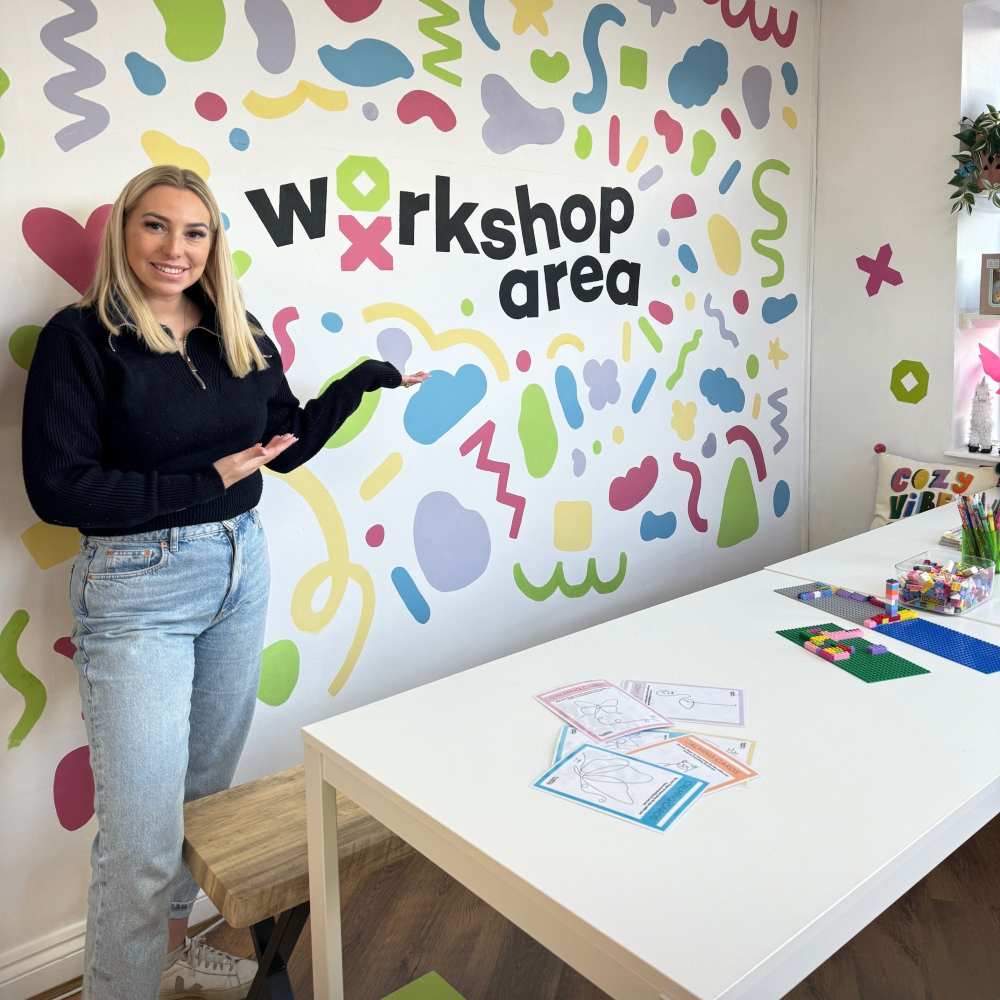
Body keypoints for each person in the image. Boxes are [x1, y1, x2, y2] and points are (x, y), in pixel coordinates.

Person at [21, 164, 427, 1000]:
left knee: (201, 801)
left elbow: (283, 445)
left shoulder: (233, 332)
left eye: (195, 232)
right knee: (138, 841)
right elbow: (58, 488)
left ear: (214, 246)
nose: (176, 249)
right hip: (137, 588)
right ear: (124, 232)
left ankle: (169, 952)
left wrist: (359, 383)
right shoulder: (82, 338)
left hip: (240, 568)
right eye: (157, 226)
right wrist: (202, 480)